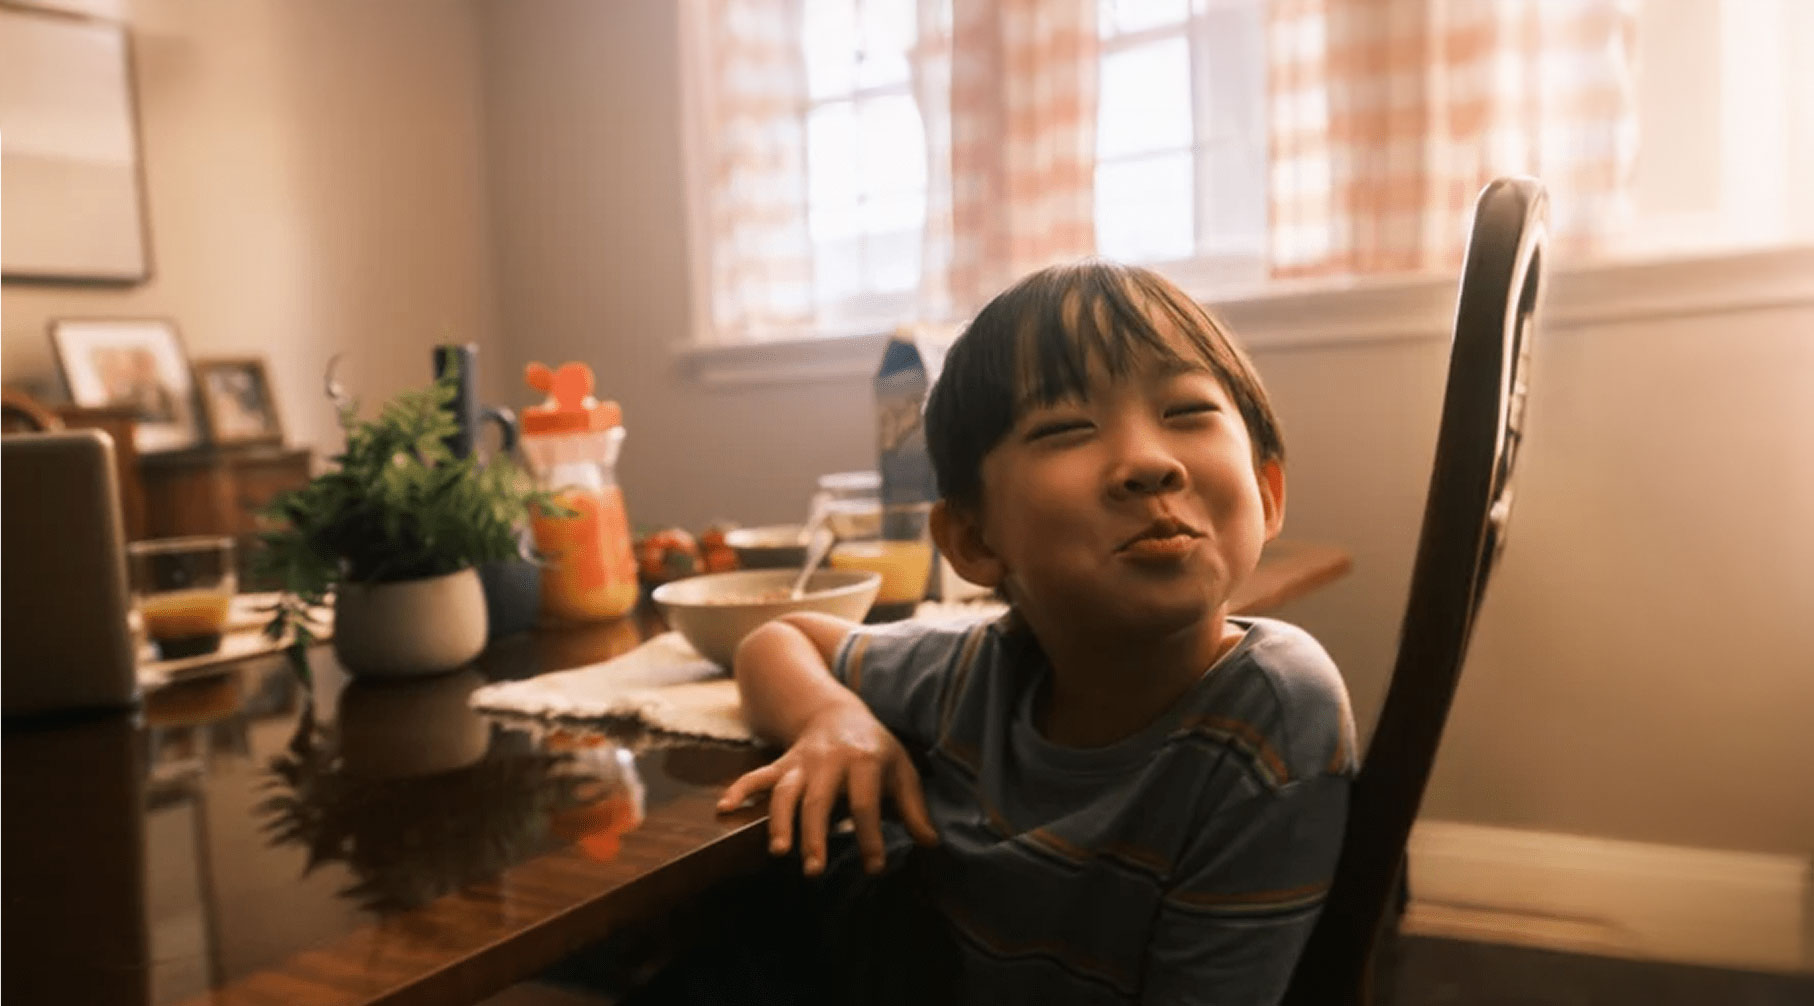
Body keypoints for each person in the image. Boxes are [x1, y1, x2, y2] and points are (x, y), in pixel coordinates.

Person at [717, 260, 1357, 1005]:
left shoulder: (1271, 713)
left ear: (1268, 492)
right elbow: (777, 641)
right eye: (1065, 428)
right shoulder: (981, 669)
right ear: (974, 542)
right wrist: (835, 721)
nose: (1148, 463)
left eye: (1186, 411)